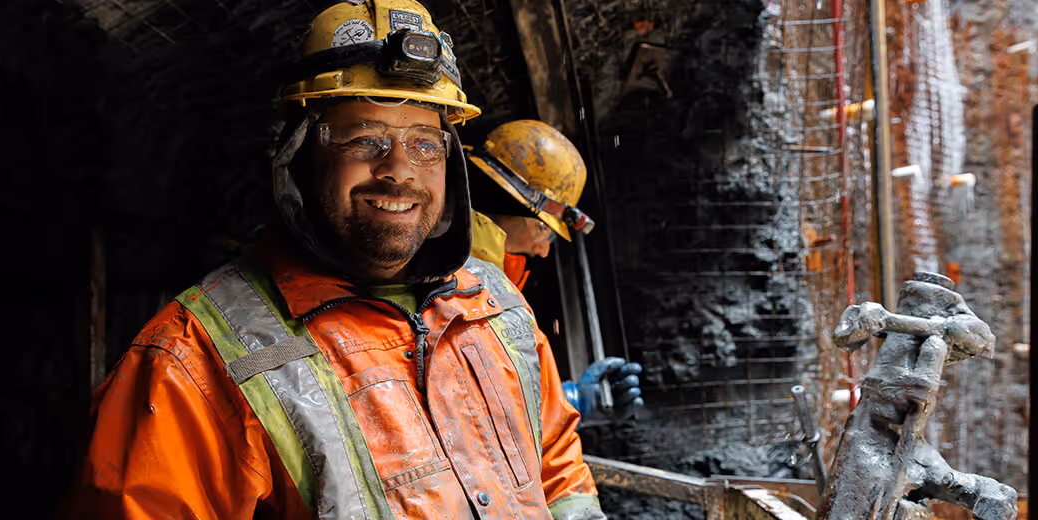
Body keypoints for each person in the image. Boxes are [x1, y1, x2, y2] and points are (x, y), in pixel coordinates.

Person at [67, 2, 605, 519]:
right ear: (302, 156)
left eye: (424, 143)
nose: (399, 170)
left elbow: (555, 472)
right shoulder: (193, 362)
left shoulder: (496, 305)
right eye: (364, 140)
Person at [463, 120, 643, 426]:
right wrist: (574, 402)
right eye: (545, 231)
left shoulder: (492, 287)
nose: (543, 251)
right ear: (514, 203)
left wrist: (572, 401)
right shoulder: (457, 286)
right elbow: (479, 421)